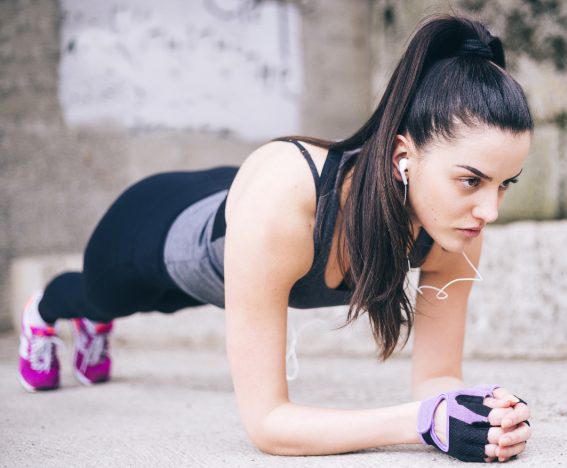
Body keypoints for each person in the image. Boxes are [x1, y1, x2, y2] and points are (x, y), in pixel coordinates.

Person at [18, 14, 533, 463]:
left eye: (504, 184)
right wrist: (421, 424)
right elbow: (267, 424)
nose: (489, 210)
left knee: (169, 305)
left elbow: (437, 377)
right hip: (151, 227)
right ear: (404, 157)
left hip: (239, 224)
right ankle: (46, 312)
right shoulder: (285, 198)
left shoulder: (455, 226)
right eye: (471, 180)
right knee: (110, 295)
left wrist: (478, 412)